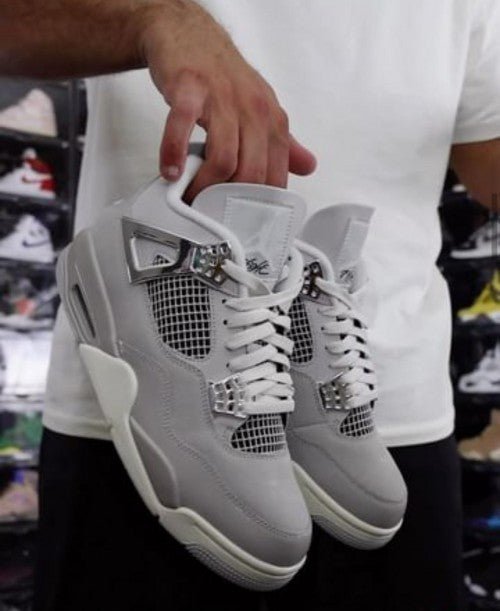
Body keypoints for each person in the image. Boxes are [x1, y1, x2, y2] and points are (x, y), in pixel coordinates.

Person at [2, 1, 500, 609]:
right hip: (142, 410)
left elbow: (486, 153)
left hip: (389, 400)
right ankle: (151, 262)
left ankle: (294, 307)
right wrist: (154, 18)